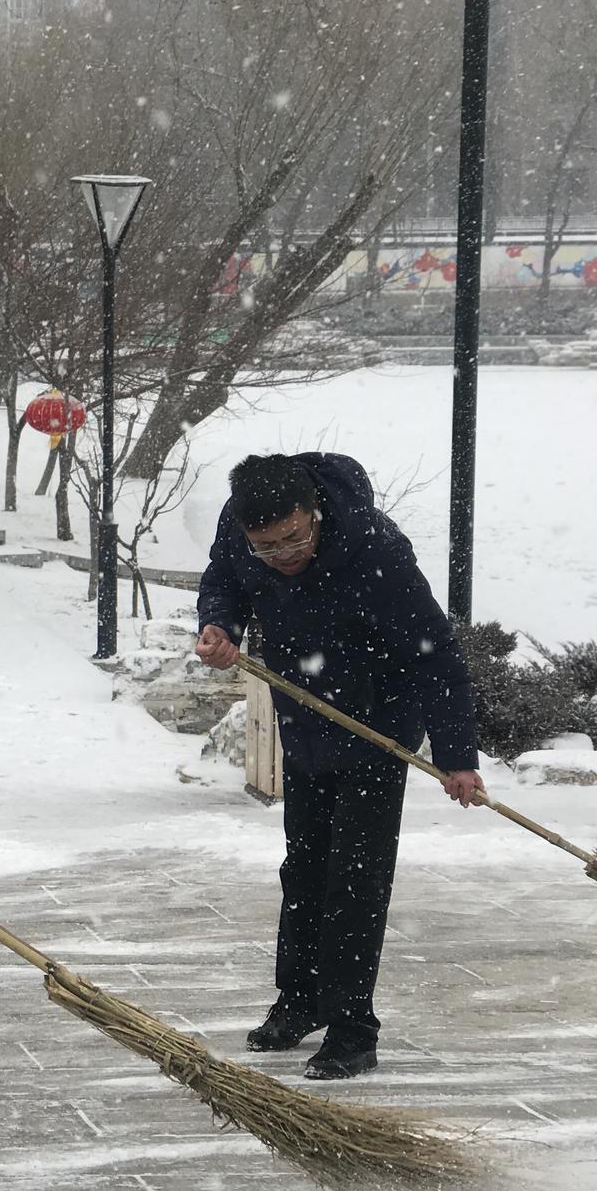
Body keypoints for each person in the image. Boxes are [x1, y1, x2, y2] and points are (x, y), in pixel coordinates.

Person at [193, 452, 482, 1082]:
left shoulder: (376, 551)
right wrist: (219, 625)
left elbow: (437, 656)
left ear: (315, 513)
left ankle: (352, 1028)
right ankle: (298, 1002)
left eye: (296, 537)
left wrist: (457, 757)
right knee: (303, 870)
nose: (284, 553)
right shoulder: (242, 532)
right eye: (267, 545)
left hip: (377, 727)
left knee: (354, 877)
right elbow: (225, 580)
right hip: (305, 719)